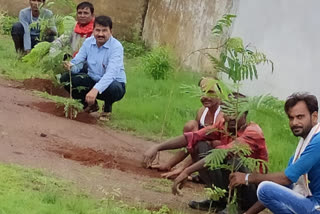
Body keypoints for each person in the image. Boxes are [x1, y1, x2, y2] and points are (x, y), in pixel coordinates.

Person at [143, 103, 268, 213]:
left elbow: (223, 153)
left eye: (236, 112)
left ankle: (239, 206)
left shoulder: (253, 132)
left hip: (252, 190)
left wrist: (187, 171)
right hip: (230, 182)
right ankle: (219, 200)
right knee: (199, 145)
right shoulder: (223, 125)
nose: (232, 117)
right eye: (228, 112)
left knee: (233, 158)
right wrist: (157, 147)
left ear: (245, 114)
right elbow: (194, 136)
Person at [229, 92, 320, 214]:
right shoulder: (304, 145)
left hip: (316, 206)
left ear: (314, 117)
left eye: (300, 117)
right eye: (291, 118)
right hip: (311, 203)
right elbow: (284, 184)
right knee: (272, 188)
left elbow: (286, 178)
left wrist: (247, 178)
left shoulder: (318, 141)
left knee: (264, 188)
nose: (294, 123)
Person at [150, 77, 224, 178]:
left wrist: (183, 169)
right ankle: (195, 171)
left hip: (221, 163)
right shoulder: (201, 112)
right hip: (203, 157)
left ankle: (207, 176)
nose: (205, 96)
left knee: (213, 142)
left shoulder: (223, 114)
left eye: (210, 92)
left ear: (220, 93)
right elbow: (190, 141)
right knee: (191, 126)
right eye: (203, 92)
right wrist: (169, 164)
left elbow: (204, 145)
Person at [62, 16, 126, 121]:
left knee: (113, 88)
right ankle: (89, 105)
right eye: (98, 30)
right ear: (93, 30)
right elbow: (78, 61)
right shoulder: (88, 43)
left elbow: (111, 74)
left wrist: (96, 90)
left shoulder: (116, 47)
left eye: (104, 30)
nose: (100, 34)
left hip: (113, 83)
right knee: (66, 79)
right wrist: (70, 67)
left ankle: (107, 108)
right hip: (93, 79)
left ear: (111, 31)